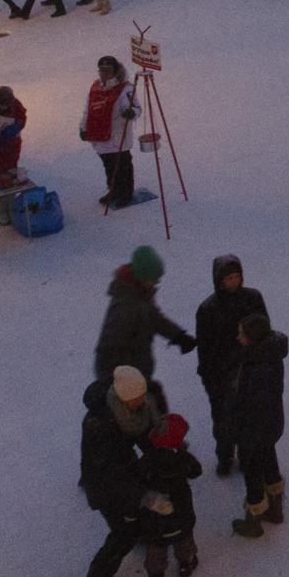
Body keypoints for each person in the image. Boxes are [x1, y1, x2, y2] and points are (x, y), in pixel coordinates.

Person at [79, 367, 162, 577]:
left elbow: (140, 432)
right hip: (103, 486)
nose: (143, 401)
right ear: (125, 398)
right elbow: (113, 476)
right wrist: (140, 499)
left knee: (135, 516)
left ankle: (139, 532)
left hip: (122, 469)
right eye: (139, 398)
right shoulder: (100, 427)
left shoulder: (123, 409)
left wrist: (158, 453)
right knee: (124, 532)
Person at [193, 255, 266, 477]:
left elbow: (263, 330)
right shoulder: (207, 309)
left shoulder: (252, 298)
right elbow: (204, 347)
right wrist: (208, 376)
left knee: (247, 417)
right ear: (219, 280)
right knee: (223, 419)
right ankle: (225, 456)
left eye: (237, 276)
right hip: (220, 373)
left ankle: (246, 454)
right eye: (228, 278)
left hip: (248, 368)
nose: (233, 282)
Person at [93, 246, 195, 387]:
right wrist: (115, 383)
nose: (156, 283)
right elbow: (109, 349)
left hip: (138, 375)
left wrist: (178, 336)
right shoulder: (125, 306)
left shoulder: (140, 295)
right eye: (153, 279)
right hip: (124, 382)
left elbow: (155, 318)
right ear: (142, 277)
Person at [227, 311, 289, 537]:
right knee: (269, 460)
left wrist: (237, 426)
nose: (238, 338)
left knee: (253, 470)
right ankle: (275, 508)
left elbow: (249, 403)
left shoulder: (257, 367)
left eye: (241, 334)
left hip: (255, 428)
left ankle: (253, 519)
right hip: (271, 424)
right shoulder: (267, 357)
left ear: (252, 339)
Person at [129, 412, 203, 577]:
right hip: (181, 513)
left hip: (155, 519)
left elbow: (136, 478)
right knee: (184, 539)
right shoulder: (183, 459)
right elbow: (196, 471)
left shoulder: (147, 460)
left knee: (156, 547)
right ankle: (186, 562)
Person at [82, 56, 140, 209]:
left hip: (118, 135)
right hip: (99, 135)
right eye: (102, 70)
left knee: (122, 165)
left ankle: (126, 193)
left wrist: (131, 113)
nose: (104, 74)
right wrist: (83, 127)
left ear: (115, 70)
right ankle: (114, 190)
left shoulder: (125, 88)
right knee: (108, 165)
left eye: (108, 70)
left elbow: (137, 108)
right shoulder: (96, 87)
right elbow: (88, 110)